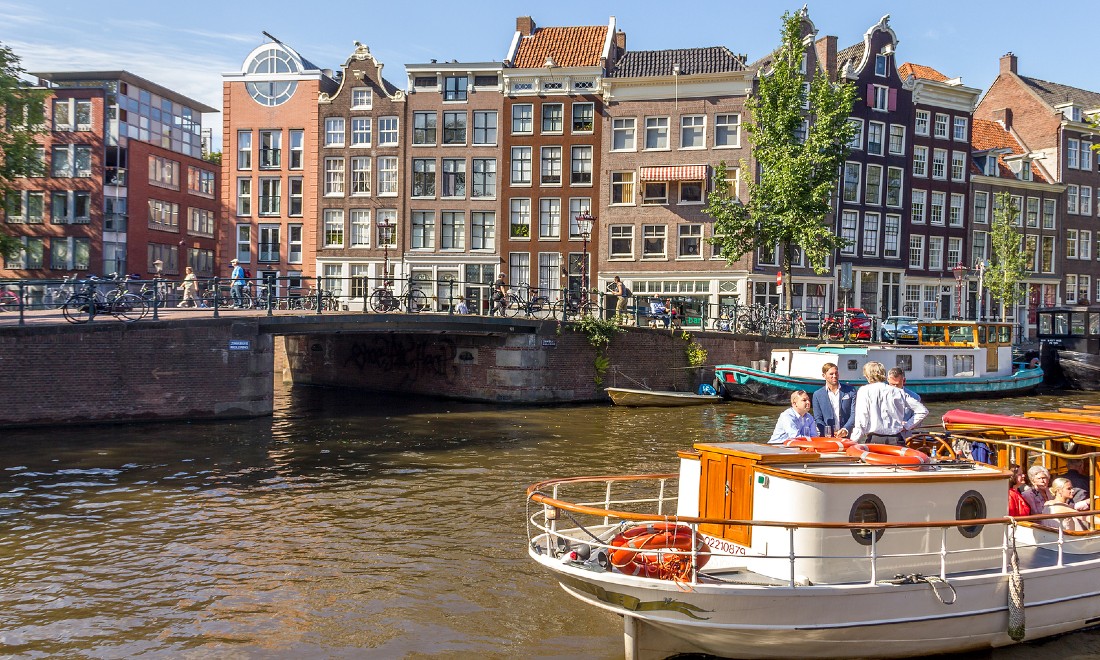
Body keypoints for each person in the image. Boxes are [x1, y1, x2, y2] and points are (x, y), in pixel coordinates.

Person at [849, 361, 927, 444]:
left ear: (868, 376)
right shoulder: (898, 391)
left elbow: (861, 422)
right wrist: (907, 426)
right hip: (897, 439)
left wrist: (852, 442)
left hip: (875, 439)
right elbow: (922, 411)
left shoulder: (864, 391)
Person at [811, 362, 856, 437]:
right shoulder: (817, 395)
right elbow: (818, 418)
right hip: (827, 437)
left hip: (847, 435)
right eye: (831, 374)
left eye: (836, 373)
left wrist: (845, 429)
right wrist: (828, 432)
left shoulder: (850, 391)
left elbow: (854, 413)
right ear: (824, 375)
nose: (834, 376)